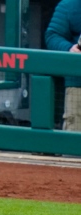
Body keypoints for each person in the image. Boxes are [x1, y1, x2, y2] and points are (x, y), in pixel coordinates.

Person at [45, 0, 81, 132]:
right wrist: (69, 48)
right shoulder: (69, 5)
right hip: (78, 85)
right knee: (74, 144)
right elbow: (52, 36)